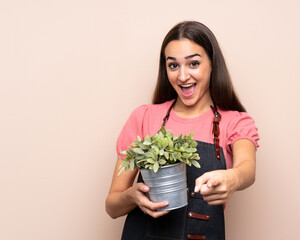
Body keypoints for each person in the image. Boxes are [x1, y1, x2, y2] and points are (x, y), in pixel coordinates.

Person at [105, 21, 260, 240]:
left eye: (193, 63)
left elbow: (247, 168)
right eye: (173, 65)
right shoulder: (144, 117)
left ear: (212, 64)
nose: (183, 76)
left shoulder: (235, 122)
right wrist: (132, 197)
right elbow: (112, 206)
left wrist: (233, 177)